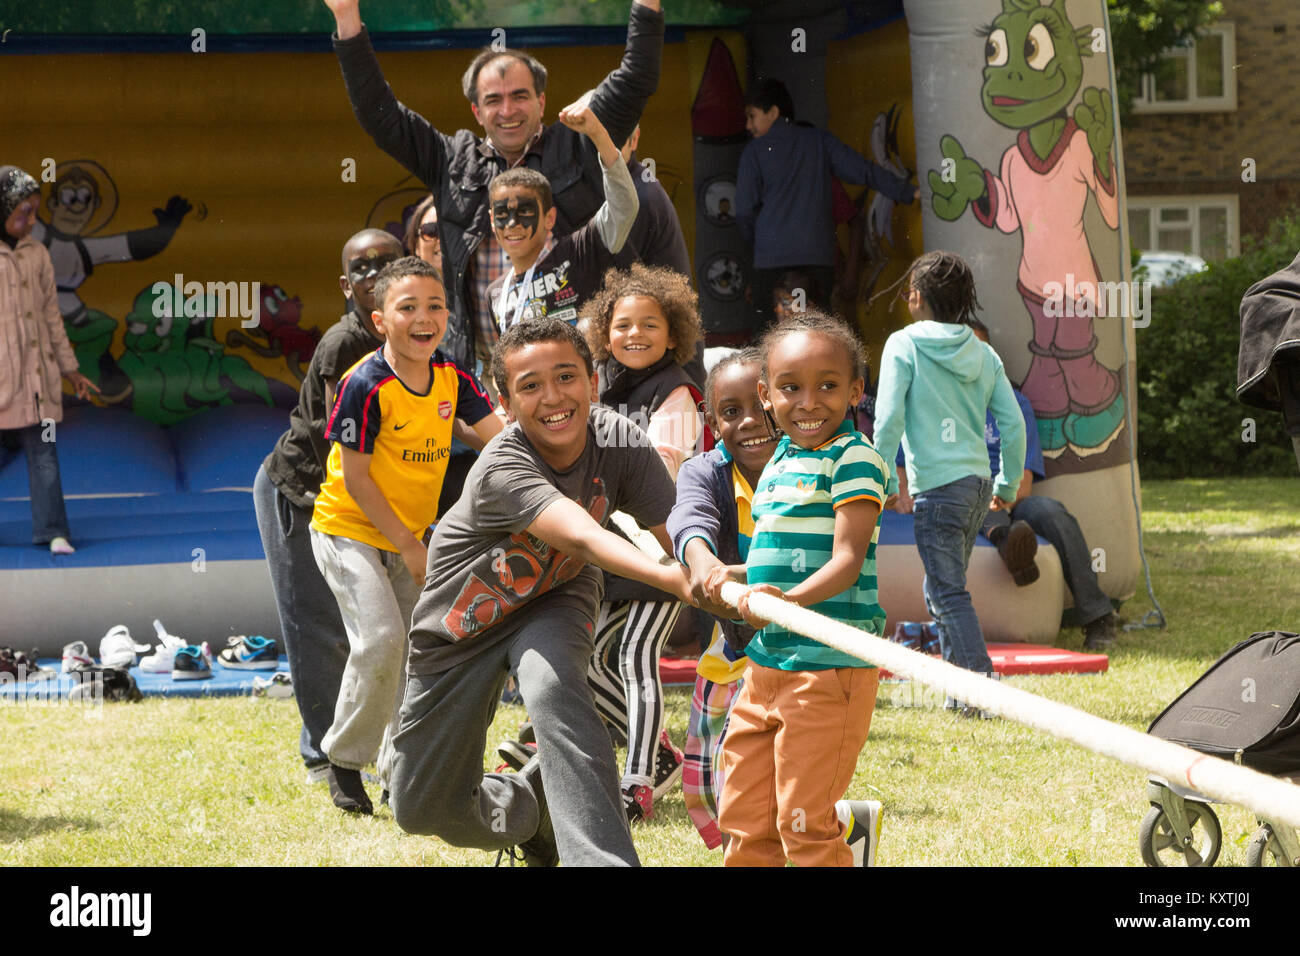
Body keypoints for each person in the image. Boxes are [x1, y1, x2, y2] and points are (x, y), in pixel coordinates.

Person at [389, 317, 696, 867]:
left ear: (594, 382)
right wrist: (674, 579)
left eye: (566, 377)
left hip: (556, 596)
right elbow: (581, 533)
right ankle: (533, 809)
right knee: (421, 807)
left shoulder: (619, 439)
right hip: (458, 630)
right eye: (530, 386)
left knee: (556, 690)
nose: (553, 397)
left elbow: (677, 528)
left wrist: (704, 566)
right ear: (504, 404)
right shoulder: (503, 465)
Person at [322, 0, 664, 370]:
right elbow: (380, 115)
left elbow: (635, 80)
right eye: (493, 100)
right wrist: (346, 16)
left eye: (519, 96)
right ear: (476, 111)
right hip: (483, 375)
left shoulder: (577, 143)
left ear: (541, 100)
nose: (507, 111)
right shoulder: (450, 161)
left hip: (583, 366)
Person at [309, 257, 500, 813]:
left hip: (412, 539)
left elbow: (500, 442)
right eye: (407, 307)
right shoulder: (363, 383)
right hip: (350, 532)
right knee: (383, 641)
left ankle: (401, 773)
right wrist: (415, 547)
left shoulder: (454, 378)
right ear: (379, 321)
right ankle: (344, 763)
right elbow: (360, 481)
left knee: (421, 654)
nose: (424, 317)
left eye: (435, 306)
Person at [701, 312, 888, 867]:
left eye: (829, 386)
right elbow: (774, 559)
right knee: (744, 817)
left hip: (827, 668)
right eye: (790, 388)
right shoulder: (780, 459)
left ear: (856, 389)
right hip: (766, 665)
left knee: (802, 823)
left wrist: (788, 603)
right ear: (766, 394)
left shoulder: (854, 459)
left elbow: (847, 561)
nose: (809, 403)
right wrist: (738, 578)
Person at [254, 228, 401, 783]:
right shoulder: (344, 344)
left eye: (387, 263)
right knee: (314, 624)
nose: (375, 275)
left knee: (366, 627)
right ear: (345, 285)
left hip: (356, 498)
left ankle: (368, 748)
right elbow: (329, 436)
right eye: (362, 269)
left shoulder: (411, 331)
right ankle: (323, 757)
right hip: (300, 492)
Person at [579, 263, 702, 821]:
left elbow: (661, 468)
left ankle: (636, 780)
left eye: (649, 325)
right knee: (585, 662)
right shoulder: (595, 385)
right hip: (608, 548)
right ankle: (660, 753)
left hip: (660, 547)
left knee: (635, 657)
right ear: (604, 335)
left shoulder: (675, 392)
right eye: (623, 325)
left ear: (672, 334)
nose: (635, 335)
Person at [872, 251, 1025, 695]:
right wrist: (1007, 485)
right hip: (978, 486)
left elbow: (888, 421)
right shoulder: (984, 353)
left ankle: (980, 691)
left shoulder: (904, 345)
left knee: (948, 592)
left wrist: (882, 480)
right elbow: (1012, 425)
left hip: (938, 490)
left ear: (916, 297)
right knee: (941, 588)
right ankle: (960, 692)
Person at [667, 347, 770, 849]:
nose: (750, 421)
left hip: (795, 654)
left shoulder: (807, 470)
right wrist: (703, 563)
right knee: (703, 784)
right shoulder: (706, 471)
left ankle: (812, 837)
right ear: (712, 421)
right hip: (732, 647)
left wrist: (749, 574)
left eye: (761, 404)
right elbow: (689, 519)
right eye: (731, 412)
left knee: (755, 782)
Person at [969, 320, 1119, 650]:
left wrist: (1002, 501)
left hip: (1010, 495)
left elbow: (1024, 481)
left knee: (1051, 511)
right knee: (969, 499)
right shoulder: (939, 405)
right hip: (966, 495)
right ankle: (1009, 540)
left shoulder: (1015, 404)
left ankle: (1098, 616)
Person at [734, 77, 917, 336]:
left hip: (770, 264)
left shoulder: (754, 152)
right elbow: (861, 170)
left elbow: (744, 211)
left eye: (752, 116)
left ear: (773, 112)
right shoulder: (819, 141)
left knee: (768, 342)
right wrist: (909, 191)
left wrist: (759, 245)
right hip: (817, 261)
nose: (748, 126)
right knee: (820, 337)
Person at [0, 166, 99, 555]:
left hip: (38, 384)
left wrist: (70, 369)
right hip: (3, 383)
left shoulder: (37, 254)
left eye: (34, 212)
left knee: (45, 456)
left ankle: (53, 530)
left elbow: (51, 315)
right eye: (22, 212)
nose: (30, 220)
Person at [487, 102, 638, 333]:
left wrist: (598, 134)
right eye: (502, 215)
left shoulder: (578, 253)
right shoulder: (495, 293)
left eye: (525, 212)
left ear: (550, 218)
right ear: (491, 220)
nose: (512, 224)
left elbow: (624, 207)